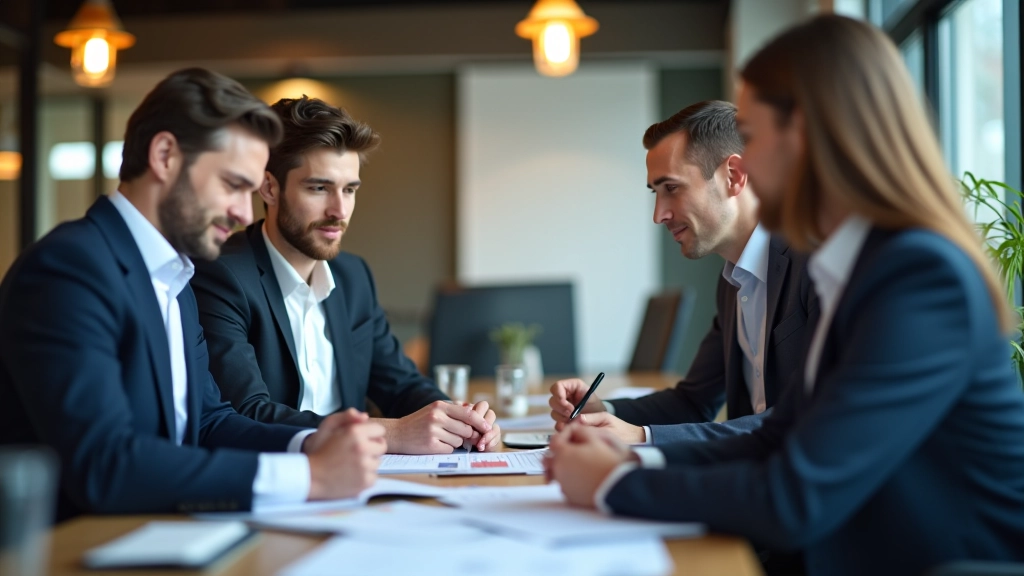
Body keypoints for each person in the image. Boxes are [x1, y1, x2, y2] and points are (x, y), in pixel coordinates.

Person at [545, 15, 1024, 576]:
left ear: (804, 135)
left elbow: (794, 497)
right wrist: (632, 455)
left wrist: (616, 483)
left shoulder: (919, 279)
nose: (741, 160)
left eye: (749, 134)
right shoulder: (854, 266)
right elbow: (778, 432)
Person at [0, 68, 386, 520]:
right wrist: (311, 477)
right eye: (233, 184)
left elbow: (209, 421)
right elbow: (104, 464)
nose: (245, 212)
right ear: (165, 155)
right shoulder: (69, 269)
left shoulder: (175, 277)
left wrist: (311, 441)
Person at [191, 96, 499, 454]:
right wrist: (389, 434)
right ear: (270, 187)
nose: (339, 210)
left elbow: (400, 385)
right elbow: (246, 414)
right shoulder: (221, 276)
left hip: (359, 479)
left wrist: (458, 419)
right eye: (319, 188)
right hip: (281, 479)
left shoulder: (353, 276)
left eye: (349, 190)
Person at [548, 100, 815, 444]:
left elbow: (813, 416)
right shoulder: (733, 283)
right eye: (655, 193)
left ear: (733, 176)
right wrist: (603, 410)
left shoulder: (815, 262)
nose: (659, 214)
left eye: (671, 188)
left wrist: (642, 436)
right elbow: (694, 402)